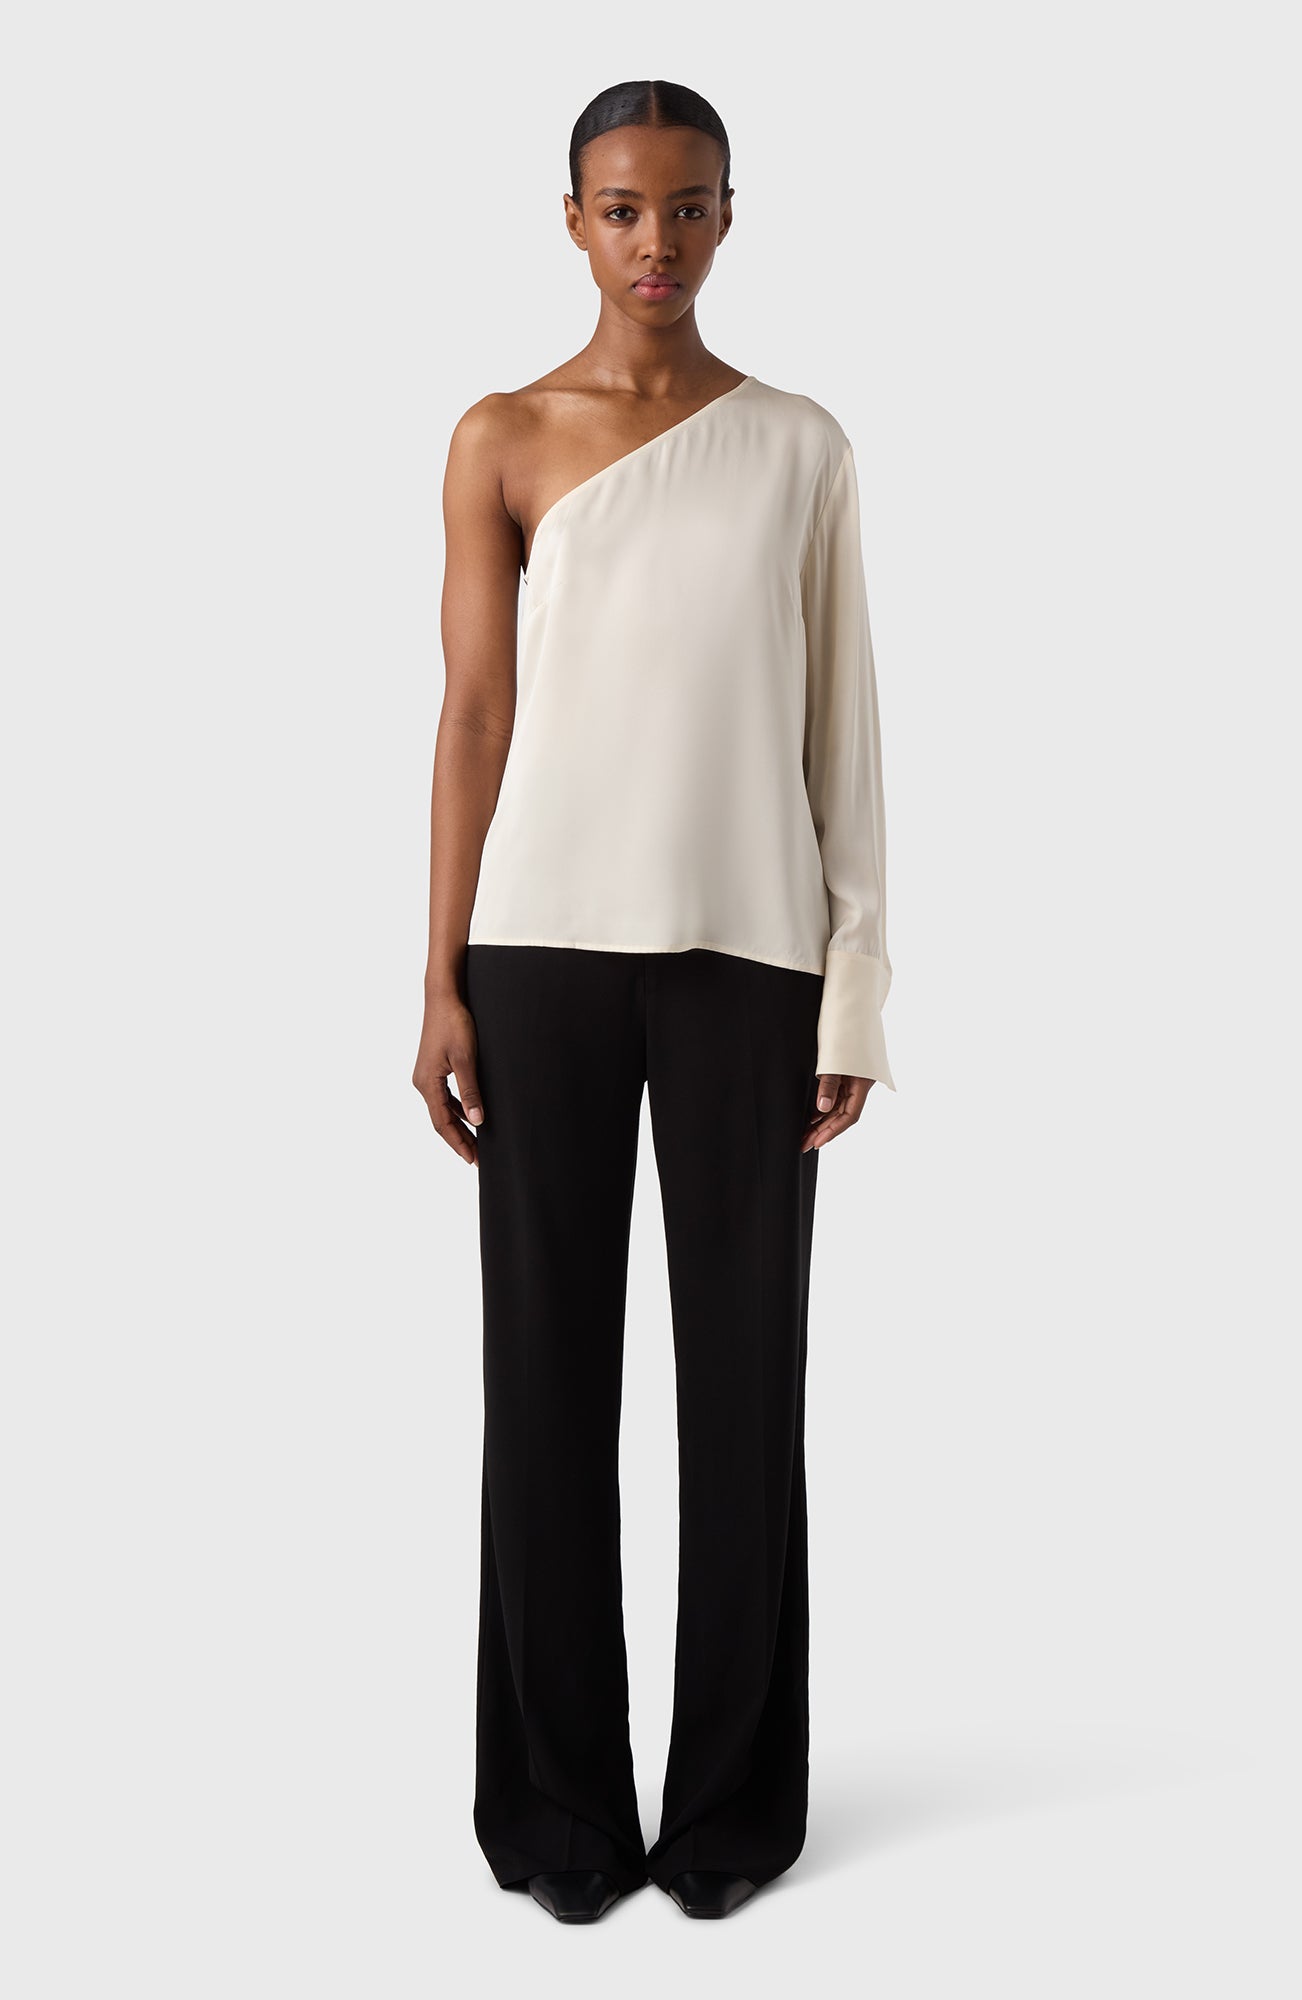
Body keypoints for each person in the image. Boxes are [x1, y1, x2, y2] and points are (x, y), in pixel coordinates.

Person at [412, 77, 897, 1925]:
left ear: (727, 216)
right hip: (537, 950)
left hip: (747, 956)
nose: (656, 242)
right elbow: (472, 716)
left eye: (687, 206)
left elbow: (841, 727)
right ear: (572, 220)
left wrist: (853, 985)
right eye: (621, 209)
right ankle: (555, 1805)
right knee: (543, 1379)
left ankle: (728, 1809)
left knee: (742, 1384)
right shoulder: (503, 437)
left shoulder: (797, 446)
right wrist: (441, 978)